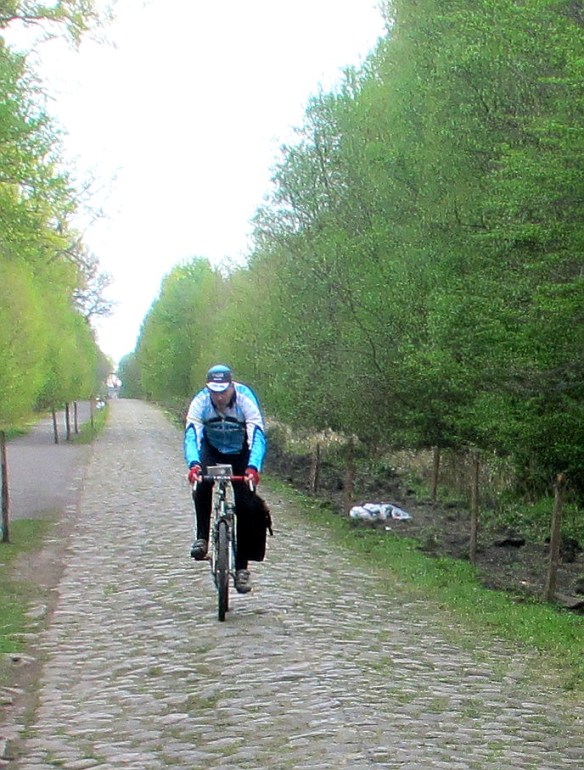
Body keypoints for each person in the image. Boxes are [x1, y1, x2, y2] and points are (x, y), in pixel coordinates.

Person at [184, 364, 267, 594]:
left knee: (246, 505)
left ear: (231, 387)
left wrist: (253, 467)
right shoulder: (200, 402)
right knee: (201, 483)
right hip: (212, 449)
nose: (219, 397)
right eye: (214, 392)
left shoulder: (245, 399)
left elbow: (257, 435)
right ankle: (202, 537)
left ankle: (242, 568)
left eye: (223, 391)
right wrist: (193, 464)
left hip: (241, 452)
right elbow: (192, 434)